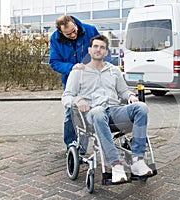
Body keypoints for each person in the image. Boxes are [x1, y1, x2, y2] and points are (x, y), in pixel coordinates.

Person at [62, 35, 152, 183]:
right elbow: (66, 97)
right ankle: (115, 165)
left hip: (114, 111)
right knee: (98, 112)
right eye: (95, 47)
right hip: (91, 114)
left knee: (141, 107)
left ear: (106, 52)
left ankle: (137, 161)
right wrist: (78, 100)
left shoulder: (114, 71)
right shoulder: (78, 71)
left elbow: (123, 92)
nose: (98, 50)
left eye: (102, 47)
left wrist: (131, 96)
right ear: (89, 50)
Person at [49, 15, 111, 154]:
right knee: (70, 115)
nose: (72, 35)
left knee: (99, 109)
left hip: (93, 81)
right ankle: (72, 147)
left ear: (75, 24)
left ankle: (99, 143)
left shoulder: (89, 30)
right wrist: (71, 67)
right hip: (73, 83)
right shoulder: (55, 39)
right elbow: (54, 62)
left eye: (74, 31)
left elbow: (102, 50)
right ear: (60, 31)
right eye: (68, 34)